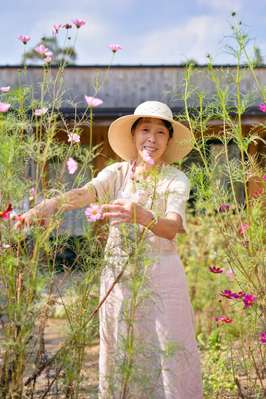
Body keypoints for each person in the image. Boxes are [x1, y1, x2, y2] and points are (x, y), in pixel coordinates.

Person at [17, 101, 203, 398]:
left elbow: (173, 227)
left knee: (171, 350)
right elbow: (84, 194)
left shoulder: (175, 179)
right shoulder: (117, 173)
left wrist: (142, 216)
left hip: (164, 279)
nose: (151, 139)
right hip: (119, 276)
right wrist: (44, 207)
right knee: (121, 346)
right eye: (145, 130)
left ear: (169, 141)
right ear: (133, 135)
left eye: (160, 133)